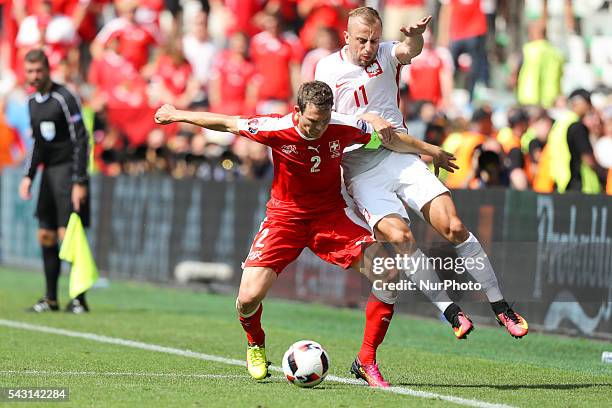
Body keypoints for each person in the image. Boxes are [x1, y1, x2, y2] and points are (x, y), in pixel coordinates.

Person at [154, 80, 457, 386]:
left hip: (330, 217)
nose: (319, 128)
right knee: (247, 300)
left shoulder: (344, 127)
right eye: (312, 122)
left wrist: (431, 151)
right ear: (297, 111)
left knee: (388, 273)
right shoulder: (275, 128)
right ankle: (255, 342)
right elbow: (226, 122)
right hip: (285, 219)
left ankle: (366, 360)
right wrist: (177, 113)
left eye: (325, 121)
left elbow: (390, 139)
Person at [315, 6, 528, 385]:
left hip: (401, 158)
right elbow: (325, 120)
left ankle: (501, 306)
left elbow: (408, 50)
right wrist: (363, 122)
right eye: (361, 40)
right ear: (346, 37)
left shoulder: (386, 53)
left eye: (374, 40)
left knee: (454, 225)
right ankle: (449, 310)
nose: (368, 48)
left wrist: (414, 35)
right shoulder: (327, 69)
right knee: (401, 238)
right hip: (361, 172)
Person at [18, 49, 90, 313]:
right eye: (30, 72)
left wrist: (80, 180)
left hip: (68, 172)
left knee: (68, 234)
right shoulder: (31, 102)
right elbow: (37, 143)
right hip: (48, 174)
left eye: (39, 71)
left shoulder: (64, 97)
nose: (34, 76)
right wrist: (29, 176)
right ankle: (50, 298)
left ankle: (79, 298)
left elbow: (81, 138)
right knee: (46, 234)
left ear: (48, 70)